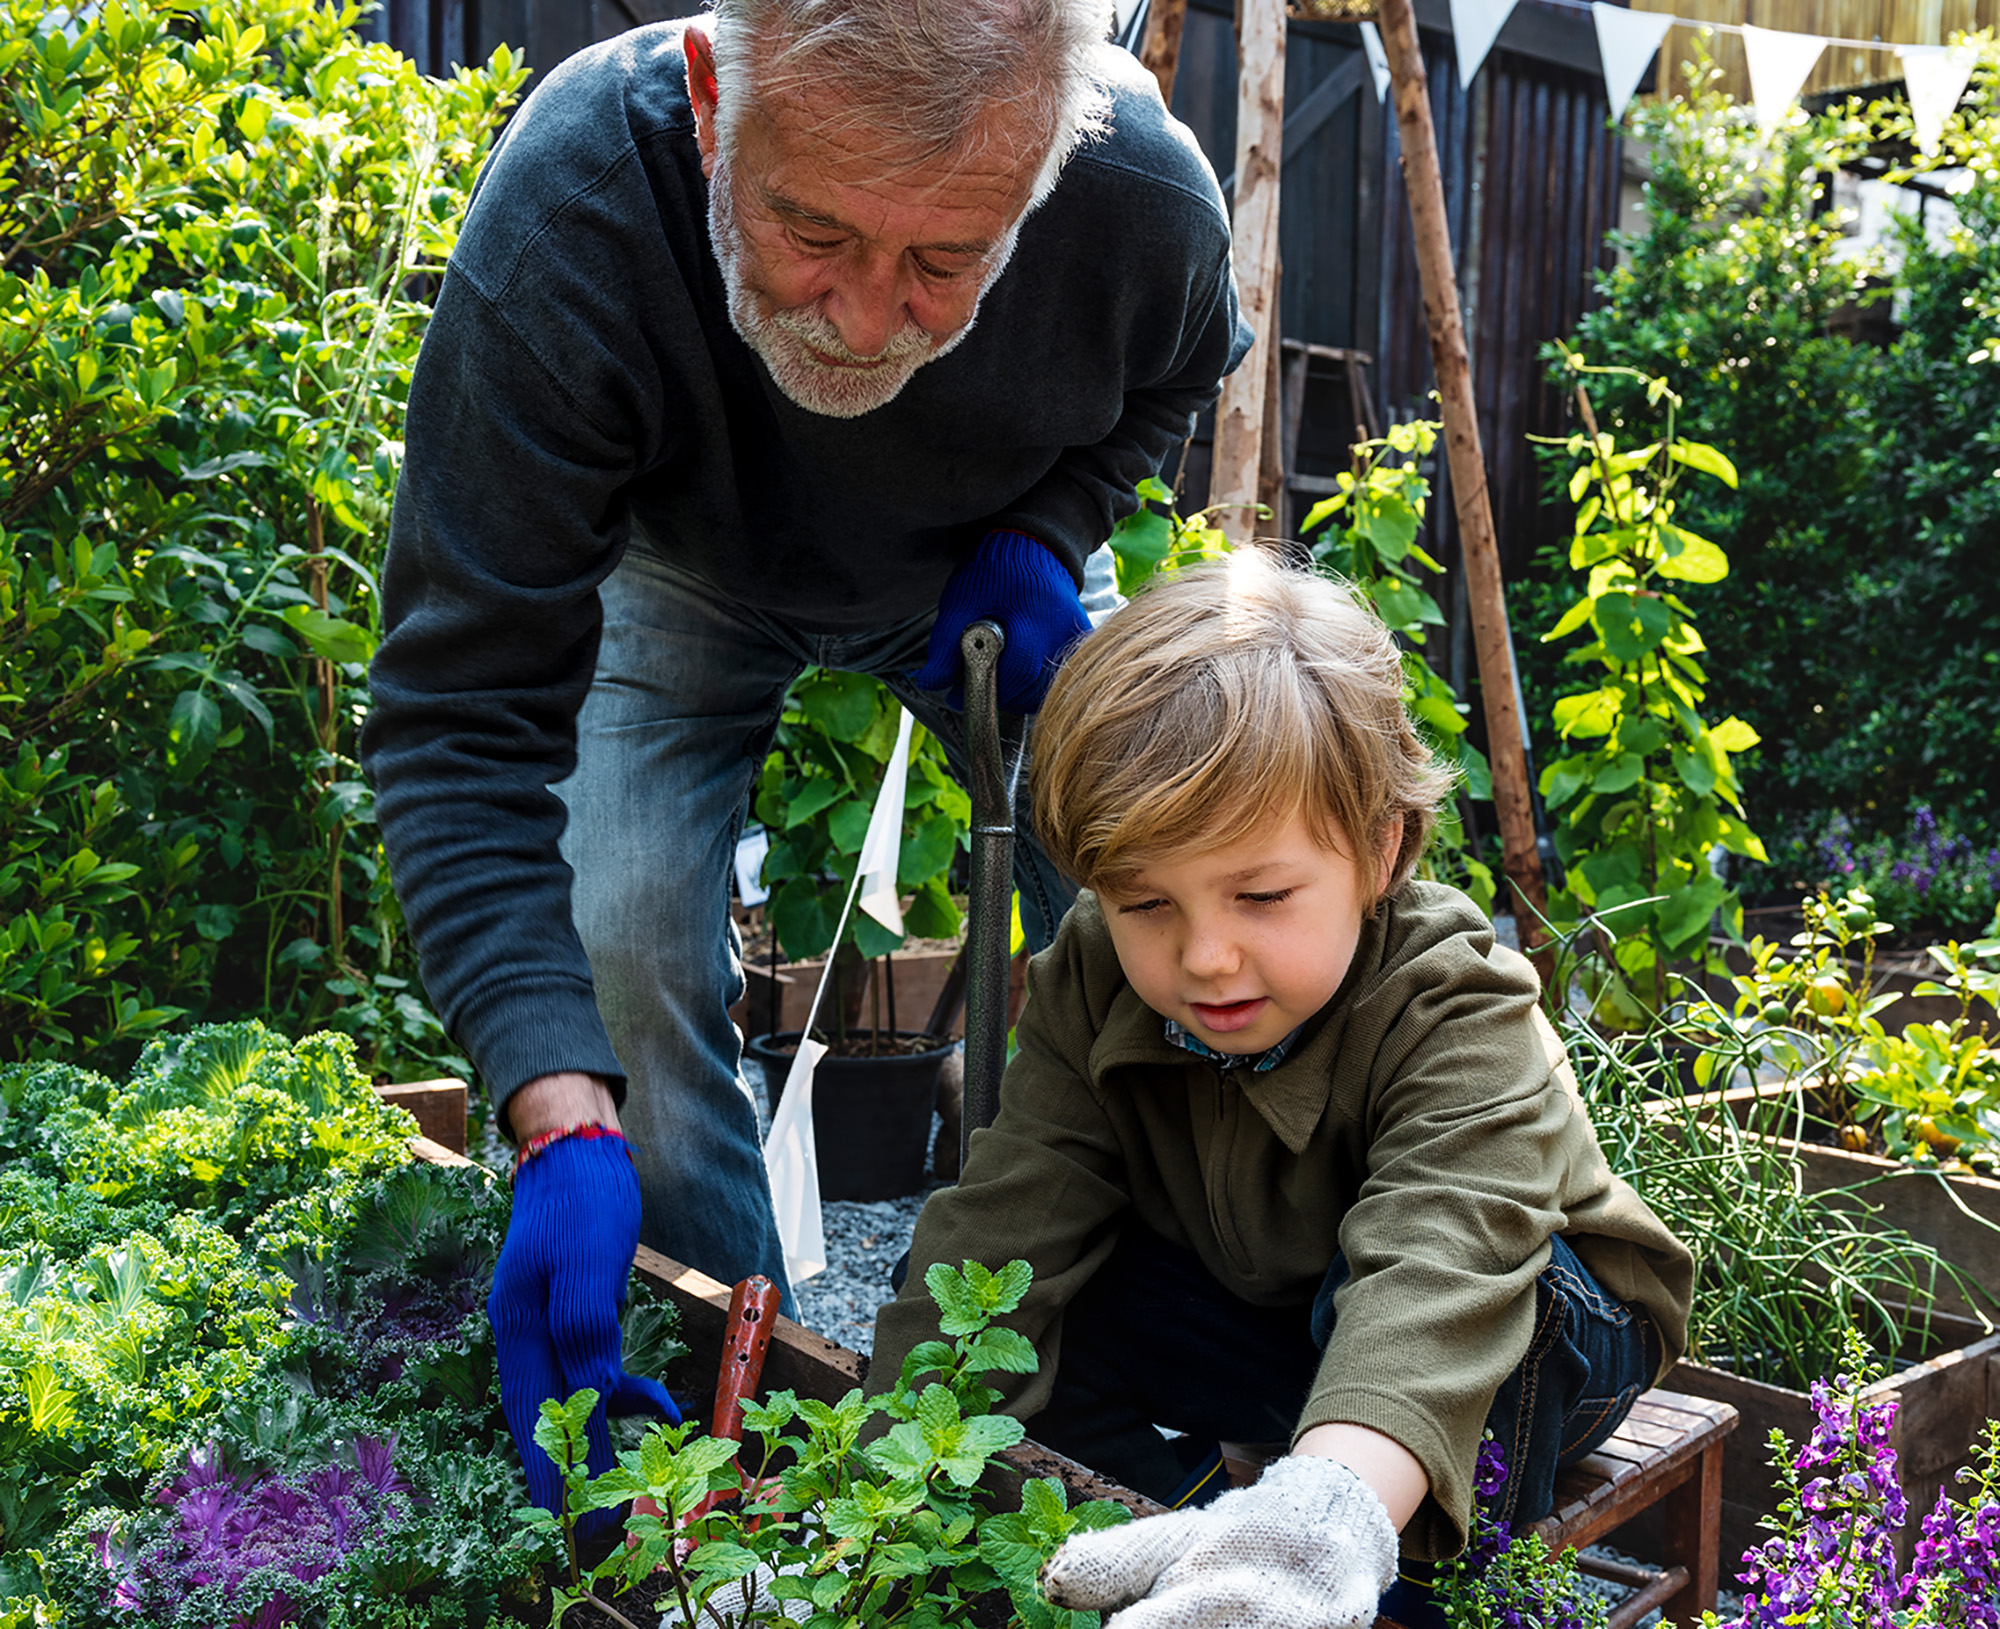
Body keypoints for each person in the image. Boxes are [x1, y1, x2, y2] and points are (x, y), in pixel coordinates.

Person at [360, 0, 1251, 1528]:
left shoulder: (1139, 194)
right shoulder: (581, 201)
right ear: (715, 98)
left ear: (1043, 175)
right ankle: (737, 1407)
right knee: (621, 953)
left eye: (944, 263)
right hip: (680, 570)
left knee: (1182, 886)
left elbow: (1172, 380)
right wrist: (557, 1112)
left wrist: (1047, 538)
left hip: (977, 571)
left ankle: (1192, 1339)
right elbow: (461, 714)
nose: (858, 318)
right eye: (810, 230)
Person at [867, 551, 1695, 1629]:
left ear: (1378, 846)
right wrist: (873, 1492)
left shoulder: (1456, 1001)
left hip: (1522, 1326)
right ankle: (1182, 1549)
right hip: (1280, 1308)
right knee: (1011, 1307)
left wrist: (1324, 1516)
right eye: (1145, 903)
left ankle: (1339, 1565)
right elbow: (1011, 1207)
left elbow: (1438, 1261)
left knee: (1475, 1317)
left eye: (1259, 895)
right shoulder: (1093, 969)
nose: (1204, 956)